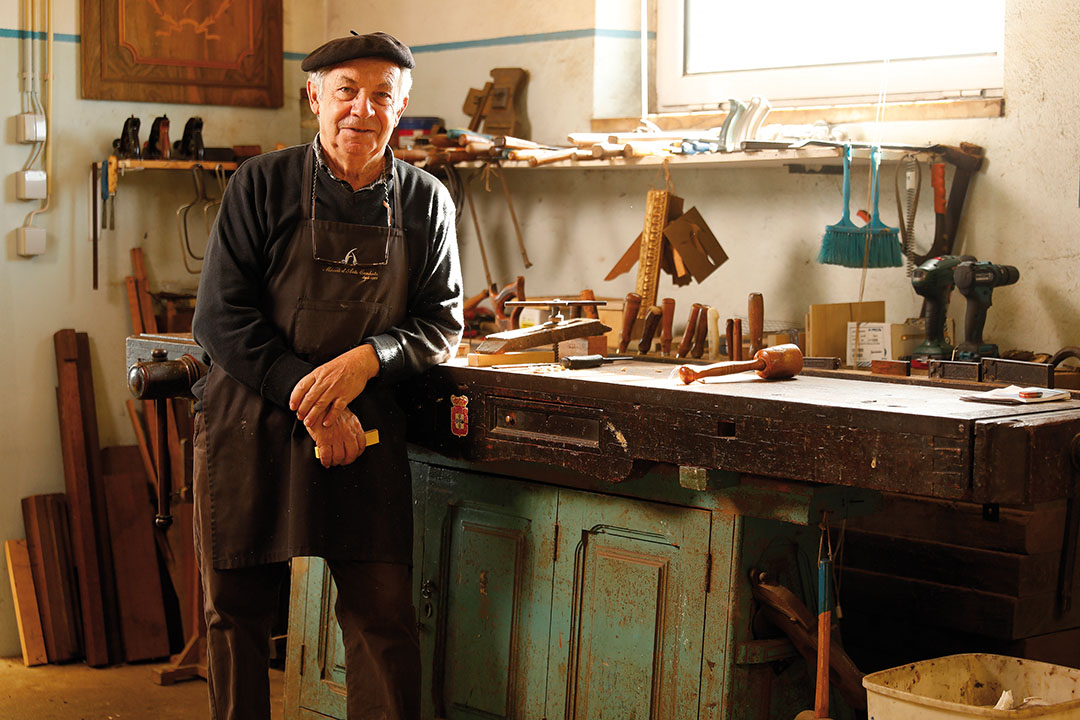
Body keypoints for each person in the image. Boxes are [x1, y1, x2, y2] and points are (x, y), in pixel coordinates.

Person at [190, 30, 463, 720]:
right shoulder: (260, 184)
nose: (361, 110)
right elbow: (221, 319)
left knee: (382, 619)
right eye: (345, 91)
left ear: (403, 105)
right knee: (237, 619)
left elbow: (441, 322)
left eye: (381, 95)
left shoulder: (427, 200)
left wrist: (367, 360)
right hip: (252, 417)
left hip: (363, 428)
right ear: (314, 97)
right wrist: (314, 399)